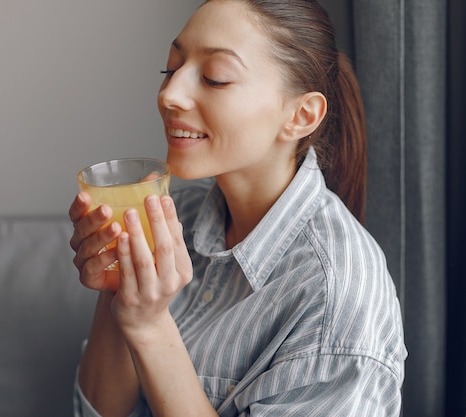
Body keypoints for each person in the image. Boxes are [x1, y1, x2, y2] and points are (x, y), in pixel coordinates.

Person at [69, 0, 407, 416]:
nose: (170, 94)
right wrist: (120, 286)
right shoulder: (181, 216)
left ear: (302, 115)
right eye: (171, 69)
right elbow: (99, 412)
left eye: (215, 78)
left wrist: (151, 326)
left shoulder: (337, 299)